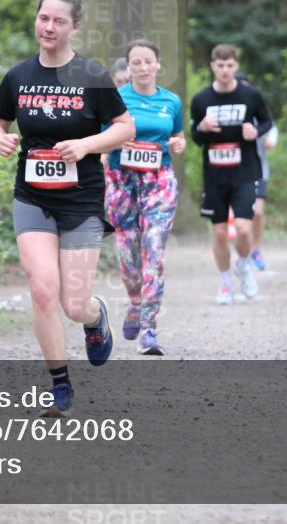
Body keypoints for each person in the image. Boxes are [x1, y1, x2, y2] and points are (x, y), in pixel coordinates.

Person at [0, 0, 135, 416]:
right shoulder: (18, 76)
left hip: (81, 200)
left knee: (73, 304)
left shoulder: (91, 75)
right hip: (32, 197)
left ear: (75, 27)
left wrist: (87, 144)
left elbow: (124, 127)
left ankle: (95, 315)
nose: (49, 27)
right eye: (43, 18)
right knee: (41, 289)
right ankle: (59, 384)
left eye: (59, 21)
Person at [104, 40, 185, 356]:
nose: (143, 67)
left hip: (159, 182)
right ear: (128, 67)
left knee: (154, 253)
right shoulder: (115, 100)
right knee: (128, 257)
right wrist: (112, 145)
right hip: (122, 182)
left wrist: (179, 144)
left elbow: (177, 136)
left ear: (158, 64)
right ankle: (135, 303)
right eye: (136, 62)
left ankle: (149, 329)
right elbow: (99, 139)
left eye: (148, 61)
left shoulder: (172, 101)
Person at [190, 45, 273, 304]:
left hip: (245, 173)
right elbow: (195, 137)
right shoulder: (201, 100)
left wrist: (256, 131)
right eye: (220, 65)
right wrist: (202, 128)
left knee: (244, 229)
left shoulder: (251, 95)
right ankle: (225, 282)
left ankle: (244, 265)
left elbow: (267, 122)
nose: (225, 70)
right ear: (212, 66)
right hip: (214, 176)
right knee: (219, 233)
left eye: (229, 65)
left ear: (236, 66)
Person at [235, 72, 278, 270]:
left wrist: (270, 140)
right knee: (241, 220)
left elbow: (271, 127)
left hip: (258, 170)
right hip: (232, 172)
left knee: (258, 213)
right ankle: (242, 254)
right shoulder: (226, 110)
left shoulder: (255, 108)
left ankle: (256, 251)